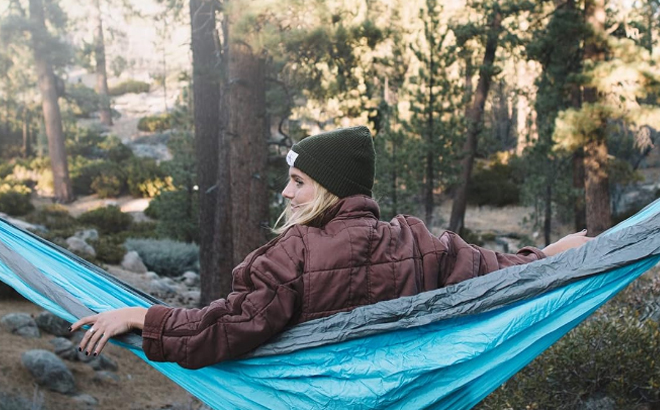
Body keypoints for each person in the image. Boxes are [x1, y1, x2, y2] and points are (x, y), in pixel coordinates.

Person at [70, 126, 591, 369]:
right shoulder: (417, 241)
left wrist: (142, 316)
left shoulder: (294, 255)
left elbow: (224, 328)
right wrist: (551, 256)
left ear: (330, 187)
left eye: (297, 181)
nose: (285, 191)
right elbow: (495, 271)